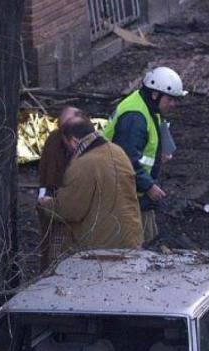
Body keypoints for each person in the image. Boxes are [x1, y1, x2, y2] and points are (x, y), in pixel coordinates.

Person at [102, 66, 186, 245]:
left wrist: (159, 153)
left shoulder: (147, 107)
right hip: (126, 196)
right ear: (155, 94)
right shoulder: (135, 117)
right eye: (170, 99)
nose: (173, 105)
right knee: (136, 246)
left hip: (134, 193)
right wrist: (149, 186)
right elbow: (125, 159)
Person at [38, 117, 142, 251]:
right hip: (131, 240)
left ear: (75, 141)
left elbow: (70, 210)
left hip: (103, 247)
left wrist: (46, 203)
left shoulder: (83, 165)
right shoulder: (118, 151)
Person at [37, 106, 81, 269]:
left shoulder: (88, 145)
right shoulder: (53, 141)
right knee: (52, 252)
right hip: (55, 205)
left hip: (76, 209)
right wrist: (42, 197)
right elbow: (44, 173)